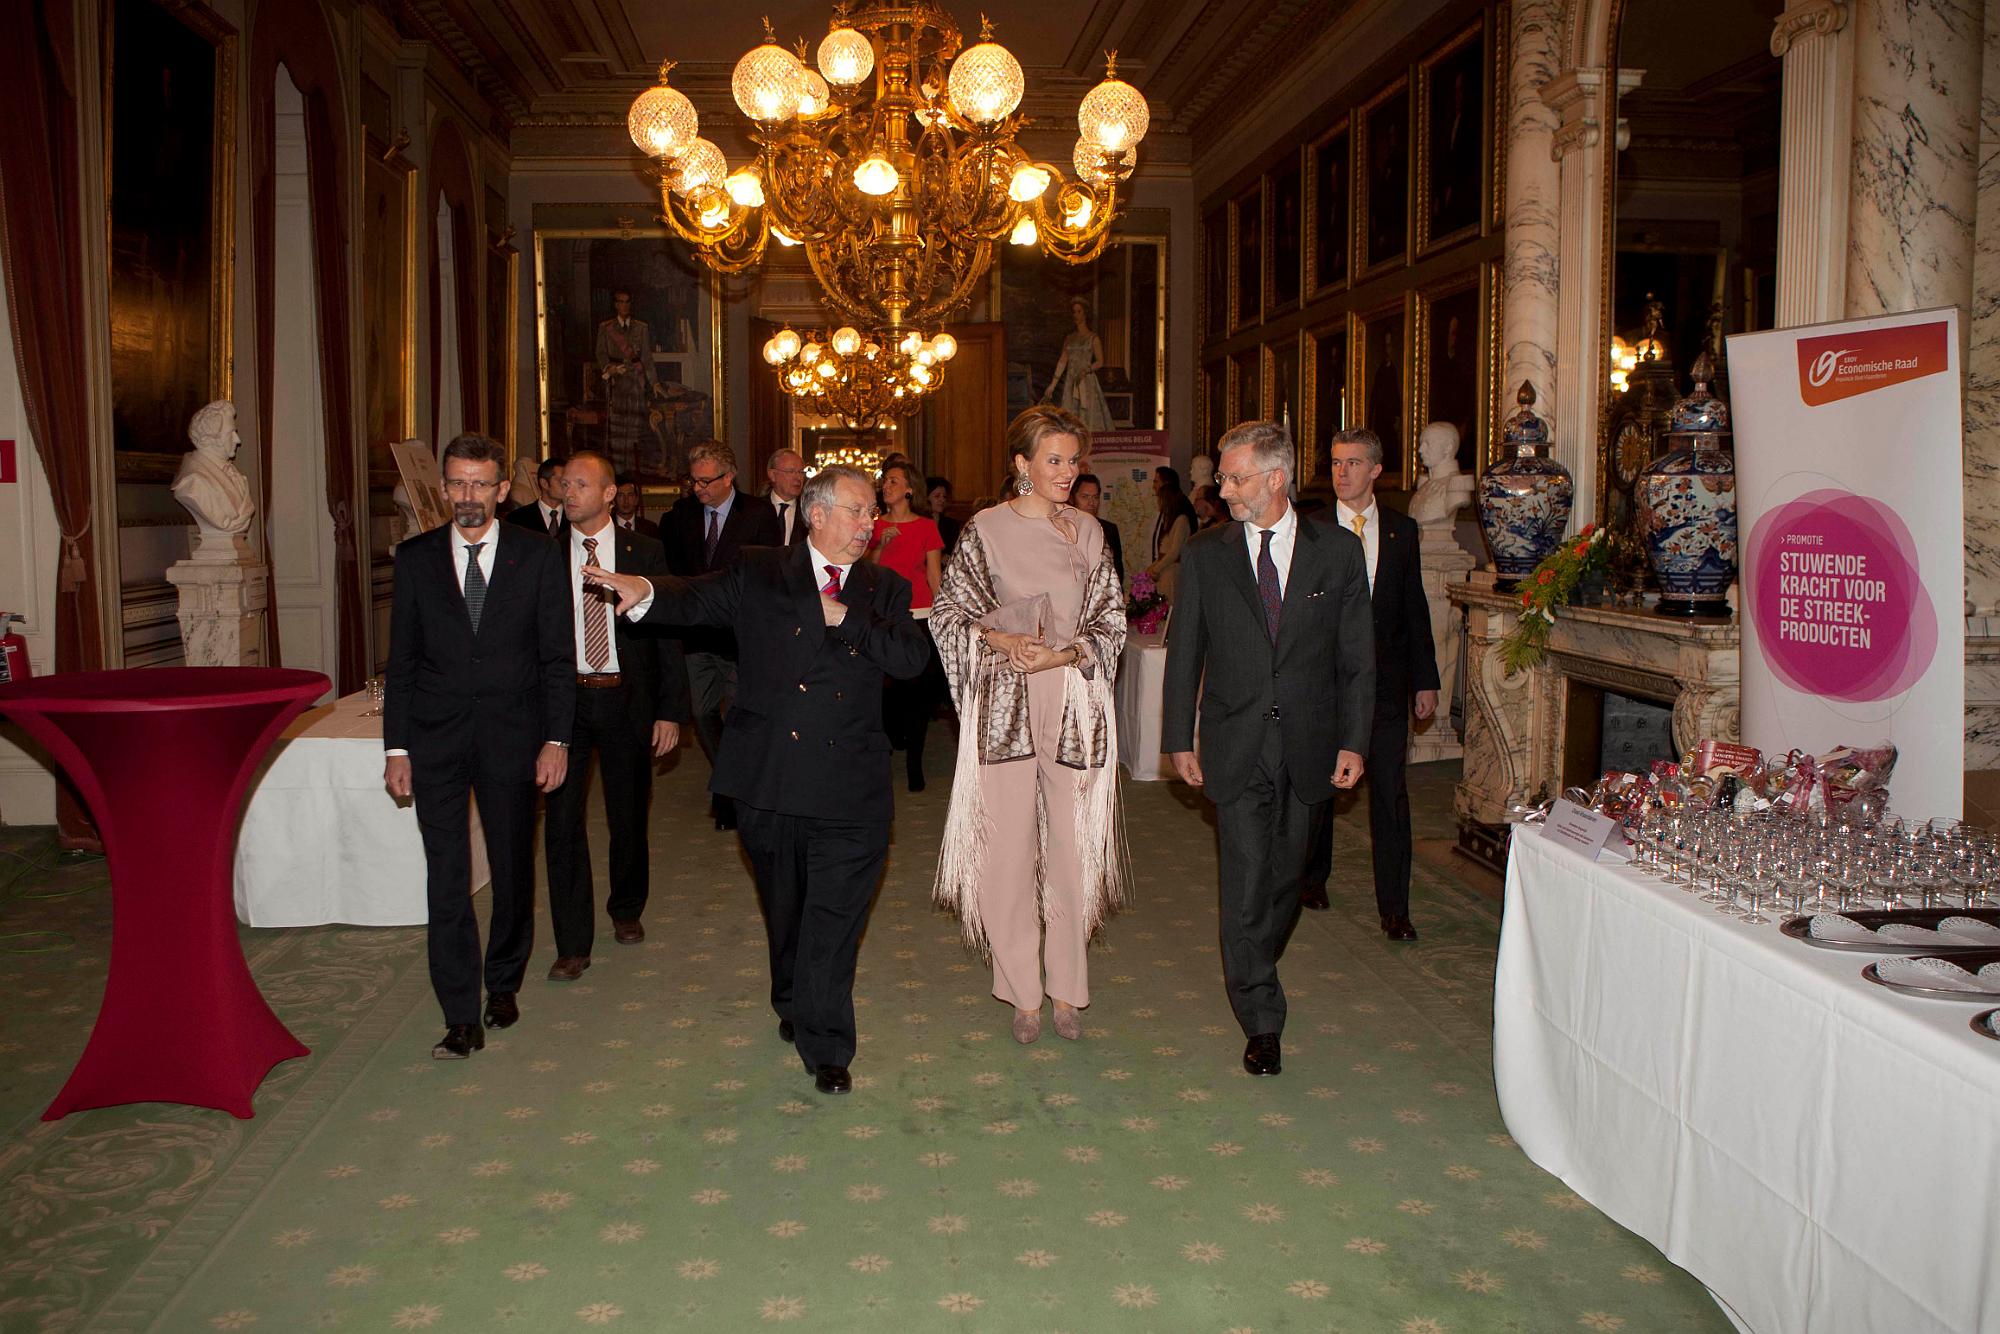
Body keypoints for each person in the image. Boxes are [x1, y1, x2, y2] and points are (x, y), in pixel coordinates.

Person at [582, 465, 931, 1095]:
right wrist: (643, 589)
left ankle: (828, 1045)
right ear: (816, 514)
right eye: (855, 511)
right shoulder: (763, 569)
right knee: (787, 906)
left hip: (851, 783)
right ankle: (793, 996)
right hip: (772, 774)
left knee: (835, 916)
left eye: (872, 512)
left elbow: (910, 660)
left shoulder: (882, 586)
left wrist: (840, 617)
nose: (867, 524)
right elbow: (696, 596)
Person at [1161, 420, 1375, 1078]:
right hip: (1235, 740)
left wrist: (1354, 741)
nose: (1221, 489)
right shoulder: (1205, 553)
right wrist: (1177, 738)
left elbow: (1358, 659)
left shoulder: (1337, 553)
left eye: (1234, 477)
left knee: (1286, 878)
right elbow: (1185, 653)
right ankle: (1261, 1016)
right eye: (1223, 477)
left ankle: (1257, 957)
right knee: (1246, 877)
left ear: (1275, 479)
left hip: (1310, 742)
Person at [930, 405, 1129, 1046]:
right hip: (1005, 702)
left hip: (1073, 700)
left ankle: (1067, 989)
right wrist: (999, 638)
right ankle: (1021, 990)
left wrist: (1062, 654)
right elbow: (949, 614)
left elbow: (1111, 622)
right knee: (1007, 847)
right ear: (1022, 464)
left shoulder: (1092, 533)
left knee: (1073, 848)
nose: (1068, 472)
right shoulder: (983, 530)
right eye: (1054, 460)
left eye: (1074, 460)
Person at [383, 433, 575, 1060]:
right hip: (435, 742)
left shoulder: (540, 556)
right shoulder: (414, 559)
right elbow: (403, 662)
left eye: (479, 485)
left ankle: (502, 983)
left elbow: (556, 657)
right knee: (448, 879)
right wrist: (396, 749)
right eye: (457, 484)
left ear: (501, 490)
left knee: (514, 871)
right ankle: (460, 1014)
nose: (467, 496)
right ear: (443, 488)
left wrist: (555, 739)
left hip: (514, 740)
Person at [542, 451, 687, 981]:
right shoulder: (543, 553)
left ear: (608, 494)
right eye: (564, 484)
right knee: (561, 823)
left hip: (628, 697)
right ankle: (572, 942)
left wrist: (671, 710)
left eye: (581, 484)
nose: (569, 491)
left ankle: (626, 909)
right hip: (565, 704)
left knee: (628, 812)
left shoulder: (643, 551)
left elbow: (666, 631)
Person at [1298, 428, 1438, 940]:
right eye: (1335, 463)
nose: (1341, 472)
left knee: (1390, 795)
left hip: (1383, 687)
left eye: (1353, 463)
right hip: (1322, 685)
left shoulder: (1403, 531)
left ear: (1376, 470)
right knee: (1319, 787)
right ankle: (1312, 878)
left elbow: (1414, 609)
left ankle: (1395, 910)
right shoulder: (1309, 530)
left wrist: (1425, 679)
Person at [663, 440, 783, 830]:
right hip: (697, 633)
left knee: (738, 714)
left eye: (706, 481)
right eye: (693, 481)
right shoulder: (681, 515)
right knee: (700, 711)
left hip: (740, 634)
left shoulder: (759, 514)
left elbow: (768, 574)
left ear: (729, 477)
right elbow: (678, 574)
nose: (697, 489)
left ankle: (731, 790)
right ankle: (729, 779)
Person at [868, 461, 945, 792]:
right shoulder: (873, 524)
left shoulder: (926, 526)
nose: (887, 486)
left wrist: (943, 613)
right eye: (885, 481)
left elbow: (933, 574)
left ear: (909, 489)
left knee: (918, 693)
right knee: (886, 692)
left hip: (919, 614)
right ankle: (887, 748)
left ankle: (915, 764)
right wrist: (880, 545)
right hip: (883, 616)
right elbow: (864, 573)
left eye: (894, 481)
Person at [171, 400, 255, 562]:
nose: (237, 440)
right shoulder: (192, 482)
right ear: (209, 439)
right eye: (231, 433)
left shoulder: (236, 476)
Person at [595, 289, 661, 479]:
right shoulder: (606, 327)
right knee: (617, 426)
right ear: (616, 304)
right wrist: (610, 368)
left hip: (635, 380)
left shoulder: (641, 328)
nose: (624, 305)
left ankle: (631, 469)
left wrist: (654, 382)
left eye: (627, 302)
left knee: (633, 425)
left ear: (630, 304)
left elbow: (646, 357)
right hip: (616, 382)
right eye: (620, 302)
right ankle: (617, 470)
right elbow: (601, 354)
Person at [1042, 297, 1114, 431]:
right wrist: (1053, 385)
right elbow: (1063, 361)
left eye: (1079, 311)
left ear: (1085, 313)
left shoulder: (1093, 338)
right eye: (1074, 312)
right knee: (1070, 419)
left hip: (1086, 382)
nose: (1076, 315)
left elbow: (1100, 362)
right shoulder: (1070, 338)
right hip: (1071, 382)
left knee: (1089, 419)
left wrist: (1086, 370)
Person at [1147, 466, 1196, 601]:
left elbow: (1174, 552)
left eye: (1161, 500)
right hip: (1164, 571)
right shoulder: (1172, 520)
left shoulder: (1181, 521)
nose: (1159, 503)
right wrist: (1152, 568)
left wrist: (1156, 569)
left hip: (1171, 572)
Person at [1071, 472, 1124, 585]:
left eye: (1095, 497)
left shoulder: (1110, 530)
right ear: (1072, 498)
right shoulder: (1064, 528)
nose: (1091, 503)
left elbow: (1117, 570)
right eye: (1085, 497)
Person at [507, 458, 565, 533]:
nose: (566, 485)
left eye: (568, 481)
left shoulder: (576, 517)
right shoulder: (516, 518)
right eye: (561, 481)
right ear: (544, 483)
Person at [766, 448, 809, 545]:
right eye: (791, 471)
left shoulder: (808, 512)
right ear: (772, 475)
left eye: (801, 472)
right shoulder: (755, 510)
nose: (798, 478)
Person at [927, 475, 962, 555]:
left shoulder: (952, 525)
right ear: (926, 497)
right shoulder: (918, 522)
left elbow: (954, 551)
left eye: (944, 497)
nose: (942, 500)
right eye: (937, 496)